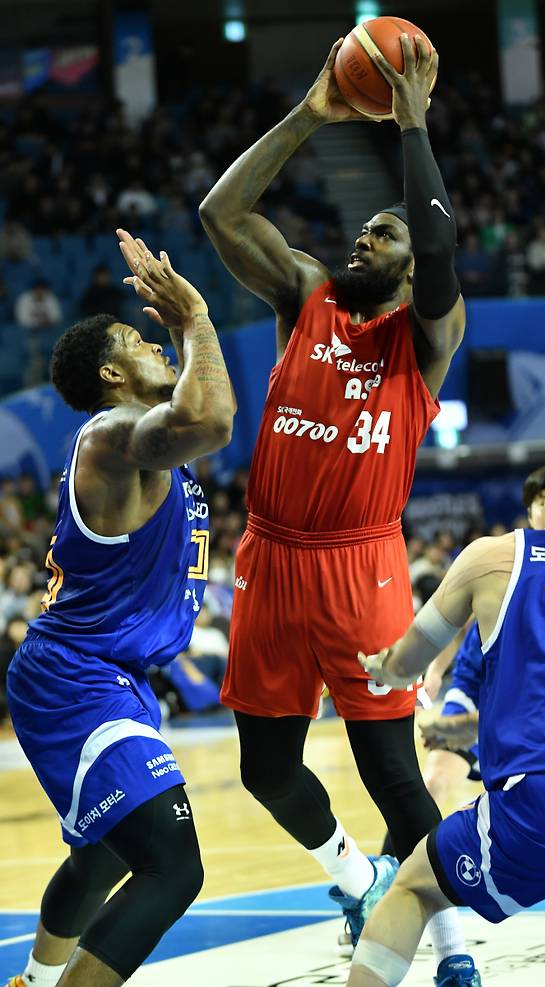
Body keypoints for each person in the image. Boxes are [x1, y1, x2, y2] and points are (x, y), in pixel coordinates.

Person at [199, 34, 467, 970]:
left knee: (392, 771)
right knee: (265, 769)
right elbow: (220, 211)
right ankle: (357, 879)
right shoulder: (306, 294)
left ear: (407, 267)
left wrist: (412, 124)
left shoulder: (427, 338)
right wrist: (313, 113)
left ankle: (453, 942)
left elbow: (436, 240)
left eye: (383, 234)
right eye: (364, 229)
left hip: (363, 564)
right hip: (273, 560)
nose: (367, 237)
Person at [5, 233, 235, 987]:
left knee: (102, 853)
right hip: (77, 675)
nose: (159, 345)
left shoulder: (139, 447)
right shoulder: (109, 434)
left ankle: (34, 981)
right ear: (111, 373)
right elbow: (213, 422)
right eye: (141, 340)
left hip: (111, 673)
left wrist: (186, 335)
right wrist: (195, 317)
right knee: (174, 866)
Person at [352, 426, 545, 986]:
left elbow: (410, 657)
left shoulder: (497, 558)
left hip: (544, 805)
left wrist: (382, 669)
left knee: (415, 886)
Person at [415, 463, 545, 807]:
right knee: (433, 783)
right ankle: (397, 859)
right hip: (473, 691)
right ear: (529, 510)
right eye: (539, 501)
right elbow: (459, 622)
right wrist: (434, 672)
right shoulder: (502, 557)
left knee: (528, 804)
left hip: (527, 708)